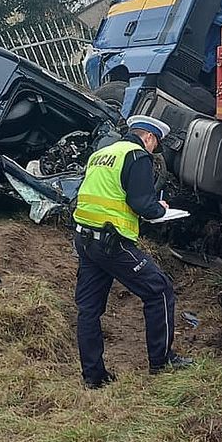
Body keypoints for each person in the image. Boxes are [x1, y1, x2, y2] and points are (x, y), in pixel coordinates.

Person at [72, 115, 194, 388]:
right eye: (155, 144)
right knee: (159, 290)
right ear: (149, 137)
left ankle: (93, 376)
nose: (153, 150)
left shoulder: (102, 153)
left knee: (89, 309)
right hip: (112, 242)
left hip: (84, 239)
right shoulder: (137, 156)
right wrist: (160, 208)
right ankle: (162, 361)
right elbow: (143, 205)